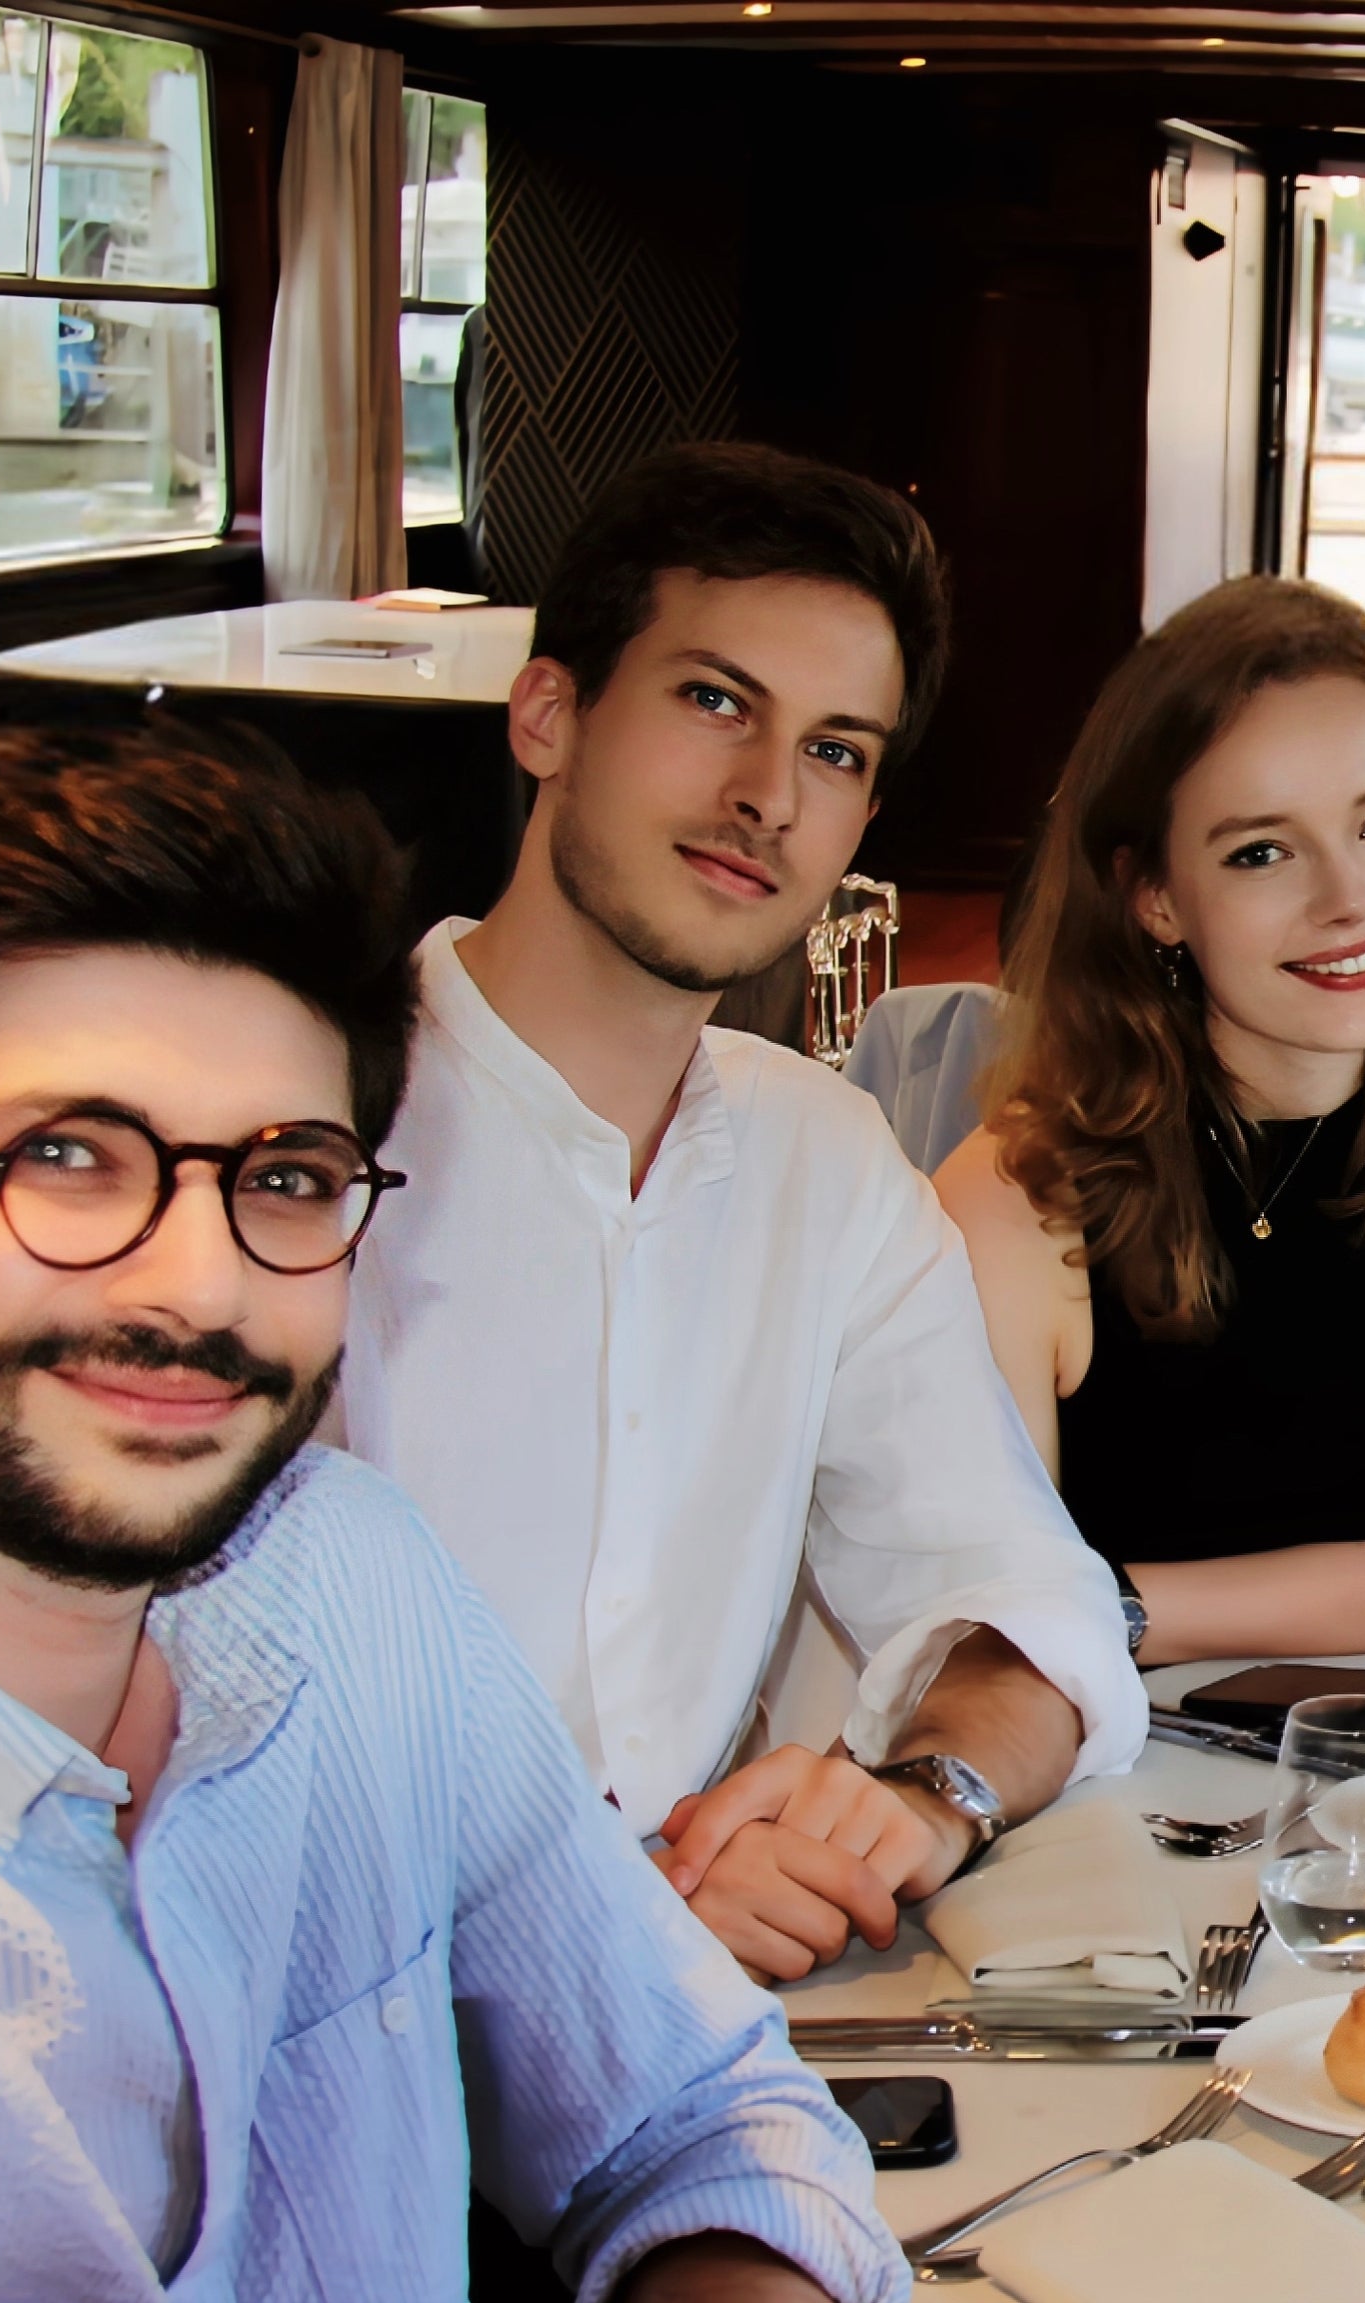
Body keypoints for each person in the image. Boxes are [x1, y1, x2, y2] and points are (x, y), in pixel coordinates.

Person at [0, 725, 902, 2303]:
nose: (197, 1279)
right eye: (65, 1154)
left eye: (289, 1175)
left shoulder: (347, 1582)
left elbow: (706, 2115)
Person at [342, 441, 1144, 1983]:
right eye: (715, 700)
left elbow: (1028, 1608)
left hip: (678, 2047)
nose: (767, 796)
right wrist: (605, 1913)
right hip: (327, 2062)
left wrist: (926, 1797)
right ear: (549, 712)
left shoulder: (826, 1164)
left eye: (837, 751)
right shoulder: (310, 1131)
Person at [937, 577, 1365, 1659]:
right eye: (1260, 850)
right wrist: (1058, 1622)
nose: (1350, 895)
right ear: (1154, 896)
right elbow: (982, 1627)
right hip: (1151, 1774)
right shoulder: (1013, 1200)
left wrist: (1100, 1610)